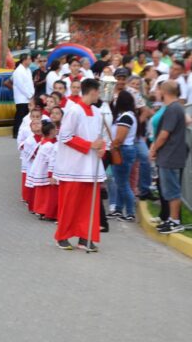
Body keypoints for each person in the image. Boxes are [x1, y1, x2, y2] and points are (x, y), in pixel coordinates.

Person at [53, 78, 106, 251]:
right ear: (92, 92)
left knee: (89, 205)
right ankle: (62, 236)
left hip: (91, 167)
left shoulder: (98, 112)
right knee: (70, 204)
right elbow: (65, 136)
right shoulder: (74, 111)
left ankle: (86, 237)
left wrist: (102, 147)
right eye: (98, 91)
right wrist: (90, 145)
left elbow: (100, 136)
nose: (99, 95)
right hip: (74, 167)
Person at [150, 81, 187, 234]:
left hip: (170, 154)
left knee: (172, 190)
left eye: (158, 90)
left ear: (164, 92)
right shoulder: (176, 108)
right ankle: (171, 219)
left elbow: (165, 134)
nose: (157, 93)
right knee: (169, 188)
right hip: (170, 154)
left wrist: (153, 148)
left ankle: (174, 220)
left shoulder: (173, 109)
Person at [107, 91, 138, 222]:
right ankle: (119, 209)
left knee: (122, 183)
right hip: (125, 150)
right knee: (120, 182)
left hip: (122, 150)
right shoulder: (129, 116)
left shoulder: (125, 117)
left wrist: (112, 147)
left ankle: (130, 212)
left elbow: (119, 138)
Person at [12, 54, 35, 138]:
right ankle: (16, 132)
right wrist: (29, 95)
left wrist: (32, 93)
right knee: (20, 115)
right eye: (29, 59)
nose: (30, 61)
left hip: (29, 97)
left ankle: (25, 132)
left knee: (26, 115)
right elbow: (20, 85)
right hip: (21, 98)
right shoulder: (18, 71)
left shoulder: (28, 70)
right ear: (24, 60)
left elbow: (30, 83)